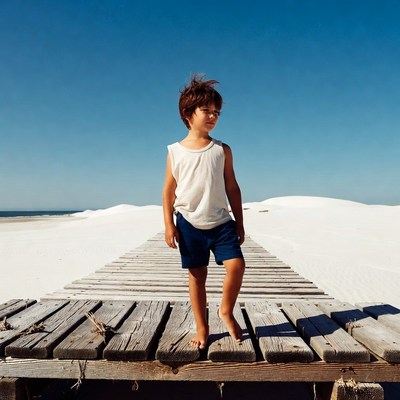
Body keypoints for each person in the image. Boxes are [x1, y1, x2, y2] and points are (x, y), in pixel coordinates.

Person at [162, 74, 245, 350]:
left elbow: (233, 187)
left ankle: (225, 310)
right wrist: (168, 225)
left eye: (216, 112)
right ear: (188, 113)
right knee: (197, 276)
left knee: (237, 266)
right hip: (188, 223)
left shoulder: (223, 150)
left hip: (221, 222)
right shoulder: (175, 151)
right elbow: (168, 191)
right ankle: (202, 327)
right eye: (206, 110)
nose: (213, 116)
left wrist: (240, 222)